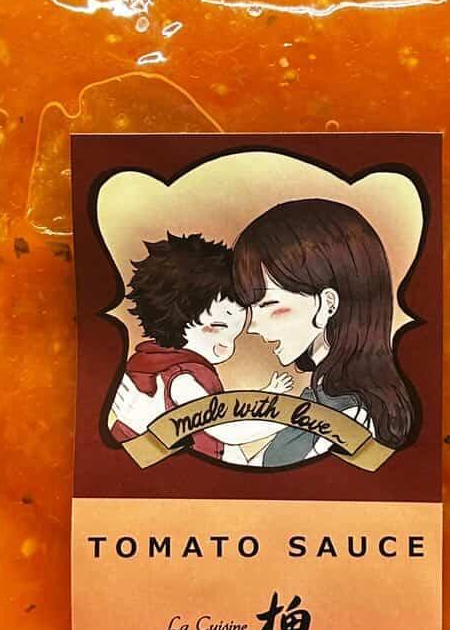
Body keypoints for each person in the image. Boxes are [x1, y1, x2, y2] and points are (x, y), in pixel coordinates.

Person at [232, 198, 417, 466]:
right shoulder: (320, 403)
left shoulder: (350, 418)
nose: (252, 327)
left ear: (327, 304)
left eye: (269, 305)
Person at [110, 232, 290, 464]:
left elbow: (222, 414)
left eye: (236, 328)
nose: (226, 344)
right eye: (217, 327)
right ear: (175, 318)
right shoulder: (182, 378)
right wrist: (289, 417)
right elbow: (228, 431)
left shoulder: (151, 361)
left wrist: (264, 398)